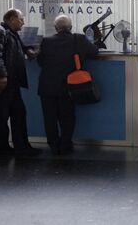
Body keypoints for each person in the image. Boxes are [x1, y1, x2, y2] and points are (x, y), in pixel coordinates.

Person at [37, 15, 98, 155]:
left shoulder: (46, 41)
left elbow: (40, 61)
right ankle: (65, 145)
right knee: (67, 117)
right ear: (70, 27)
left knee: (49, 118)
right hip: (70, 87)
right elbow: (94, 52)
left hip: (47, 87)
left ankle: (53, 146)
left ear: (56, 28)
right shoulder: (79, 39)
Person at [0, 9, 42, 157]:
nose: (23, 22)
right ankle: (1, 148)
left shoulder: (11, 33)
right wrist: (2, 76)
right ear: (11, 19)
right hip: (5, 82)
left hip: (13, 82)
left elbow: (19, 46)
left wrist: (28, 51)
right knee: (1, 115)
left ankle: (22, 147)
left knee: (19, 113)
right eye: (21, 19)